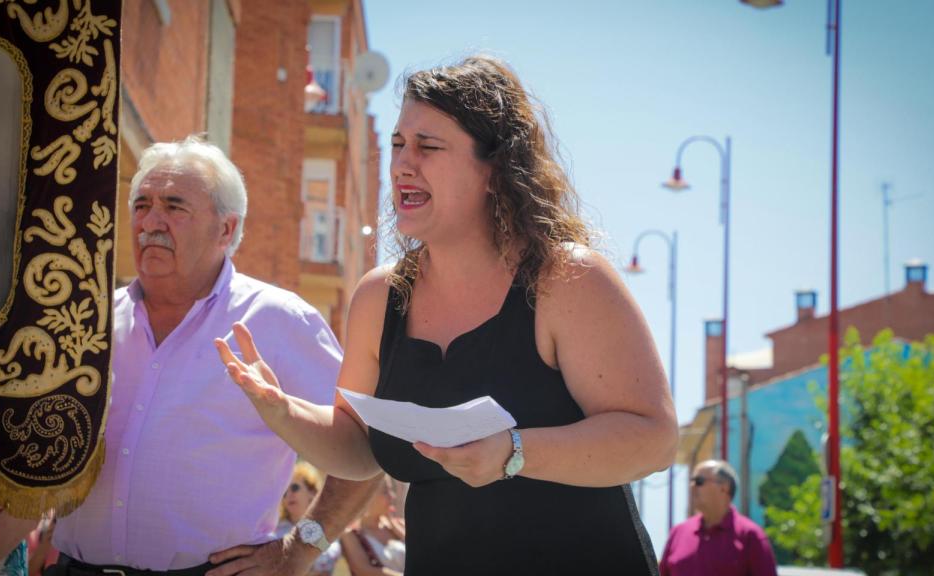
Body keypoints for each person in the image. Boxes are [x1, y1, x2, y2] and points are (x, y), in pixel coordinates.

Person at [215, 55, 678, 575]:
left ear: (495, 169)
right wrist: (283, 411)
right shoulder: (378, 297)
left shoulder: (566, 279)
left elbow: (653, 439)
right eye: (397, 145)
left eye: (427, 147)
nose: (402, 165)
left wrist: (515, 452)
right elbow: (359, 452)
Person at [39, 136, 382, 576]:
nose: (150, 222)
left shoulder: (277, 319)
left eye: (175, 206)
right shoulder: (88, 318)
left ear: (226, 229)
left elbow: (371, 449)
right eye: (141, 205)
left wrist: (299, 548)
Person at [659, 460, 777, 576]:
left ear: (724, 488)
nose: (692, 486)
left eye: (699, 481)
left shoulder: (751, 535)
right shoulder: (678, 532)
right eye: (691, 481)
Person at [272, 462, 342, 576]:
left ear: (312, 492)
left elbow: (329, 557)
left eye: (294, 488)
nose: (289, 494)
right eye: (284, 492)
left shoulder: (328, 523)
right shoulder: (275, 530)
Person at [340, 475, 404, 576]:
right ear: (367, 497)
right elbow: (363, 570)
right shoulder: (351, 534)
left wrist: (396, 528)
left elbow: (423, 554)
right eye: (385, 491)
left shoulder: (400, 525)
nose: (392, 496)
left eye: (391, 490)